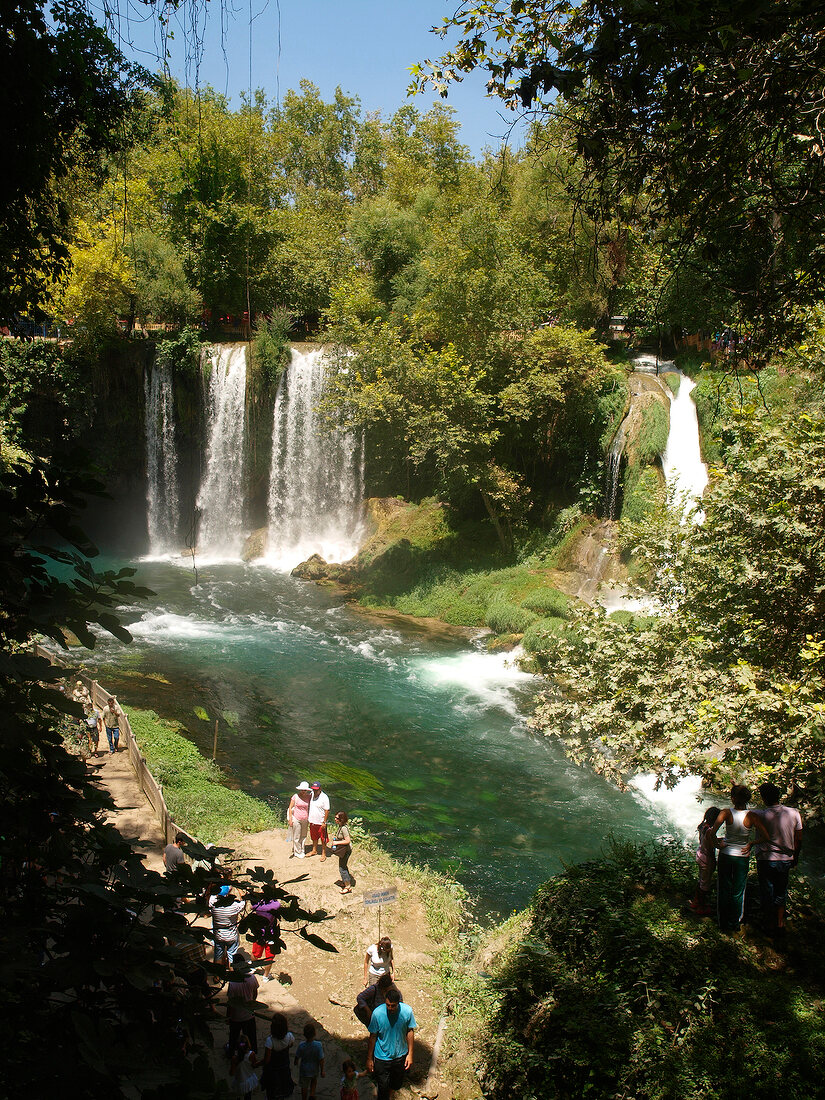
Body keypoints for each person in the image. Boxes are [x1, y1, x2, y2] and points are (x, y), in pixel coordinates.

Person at [713, 785, 770, 933]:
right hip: (742, 857)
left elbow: (712, 832)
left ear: (732, 798)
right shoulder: (752, 816)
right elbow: (766, 837)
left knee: (724, 889)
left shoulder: (725, 813)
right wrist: (751, 843)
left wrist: (718, 844)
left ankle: (722, 923)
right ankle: (734, 923)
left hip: (726, 855)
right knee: (738, 891)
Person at [754, 781, 803, 939]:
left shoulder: (759, 814)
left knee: (767, 891)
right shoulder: (794, 812)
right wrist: (795, 856)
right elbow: (799, 838)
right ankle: (780, 923)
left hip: (766, 859)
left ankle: (768, 924)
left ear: (763, 797)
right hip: (785, 858)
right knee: (780, 890)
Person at [367, 986, 417, 1100]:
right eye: (388, 1005)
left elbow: (410, 1031)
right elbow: (373, 1036)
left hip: (400, 1056)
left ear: (398, 1003)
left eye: (393, 1006)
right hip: (381, 1057)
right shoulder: (377, 1013)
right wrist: (369, 1058)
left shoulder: (407, 1012)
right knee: (382, 1086)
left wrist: (410, 1054)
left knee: (396, 1084)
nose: (390, 1008)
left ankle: (389, 1095)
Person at [688, 806, 721, 915]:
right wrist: (724, 844)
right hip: (707, 858)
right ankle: (701, 907)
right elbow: (714, 845)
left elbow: (708, 840)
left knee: (701, 880)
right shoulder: (710, 831)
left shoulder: (703, 827)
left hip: (700, 854)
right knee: (705, 884)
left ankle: (695, 901)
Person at [226, 951, 260, 1053]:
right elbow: (255, 992)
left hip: (236, 1016)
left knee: (233, 1036)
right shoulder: (252, 977)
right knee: (251, 1036)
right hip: (249, 1014)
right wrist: (252, 1004)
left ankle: (231, 1052)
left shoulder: (233, 983)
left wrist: (228, 1016)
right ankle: (253, 1052)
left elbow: (230, 1003)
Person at [210, 883, 246, 968]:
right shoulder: (234, 906)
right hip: (231, 936)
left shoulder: (213, 904)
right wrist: (238, 888)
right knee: (232, 958)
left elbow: (211, 895)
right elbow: (245, 899)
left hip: (218, 935)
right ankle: (232, 978)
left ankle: (217, 977)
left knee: (218, 956)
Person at [261, 1012, 295, 1100]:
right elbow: (291, 1045)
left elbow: (267, 1060)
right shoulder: (289, 1036)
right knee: (282, 1089)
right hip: (284, 1068)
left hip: (272, 1071)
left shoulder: (270, 1041)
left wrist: (258, 1063)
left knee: (271, 1090)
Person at [250, 895, 282, 981]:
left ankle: (253, 967)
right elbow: (278, 903)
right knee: (269, 957)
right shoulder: (275, 905)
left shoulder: (258, 906)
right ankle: (265, 976)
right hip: (271, 935)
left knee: (255, 953)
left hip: (259, 934)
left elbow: (250, 906)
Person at [294, 1021, 325, 1100]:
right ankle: (312, 1094)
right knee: (314, 1081)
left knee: (304, 1086)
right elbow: (321, 1059)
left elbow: (297, 1056)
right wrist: (322, 1070)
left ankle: (304, 1098)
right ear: (314, 1033)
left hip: (304, 1070)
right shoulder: (318, 1045)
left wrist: (296, 1061)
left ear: (304, 1034)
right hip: (314, 1068)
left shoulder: (301, 1045)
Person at [230, 1034, 260, 1099]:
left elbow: (232, 1073)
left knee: (238, 1096)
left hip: (239, 1081)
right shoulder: (251, 1054)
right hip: (249, 1079)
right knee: (248, 1096)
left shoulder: (234, 1058)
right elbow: (255, 1065)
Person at [331, 810, 353, 893]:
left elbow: (347, 840)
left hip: (346, 851)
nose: (335, 819)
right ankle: (346, 881)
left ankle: (348, 886)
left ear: (341, 819)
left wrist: (336, 842)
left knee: (342, 868)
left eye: (337, 818)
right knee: (343, 866)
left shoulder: (344, 828)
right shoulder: (341, 826)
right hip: (344, 850)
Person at [287, 782, 312, 859]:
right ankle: (297, 852)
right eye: (302, 790)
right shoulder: (295, 796)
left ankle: (302, 850)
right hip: (296, 818)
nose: (303, 791)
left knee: (303, 835)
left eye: (304, 790)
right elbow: (290, 808)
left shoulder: (309, 797)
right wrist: (290, 819)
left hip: (305, 819)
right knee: (296, 836)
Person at [307, 782, 330, 859]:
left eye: (316, 790)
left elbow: (327, 810)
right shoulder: (312, 794)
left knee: (323, 838)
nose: (314, 791)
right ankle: (314, 850)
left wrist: (324, 822)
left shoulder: (324, 797)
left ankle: (324, 853)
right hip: (312, 821)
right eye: (313, 789)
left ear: (320, 789)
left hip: (320, 822)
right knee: (314, 837)